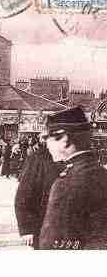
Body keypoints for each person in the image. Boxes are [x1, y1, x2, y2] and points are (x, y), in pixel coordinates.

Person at [39, 106, 107, 249]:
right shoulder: (102, 174)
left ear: (65, 138)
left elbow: (52, 244)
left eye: (48, 138)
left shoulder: (66, 184)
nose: (46, 144)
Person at [14, 138, 65, 249]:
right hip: (44, 226)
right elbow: (24, 195)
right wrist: (27, 228)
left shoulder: (81, 160)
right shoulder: (38, 159)